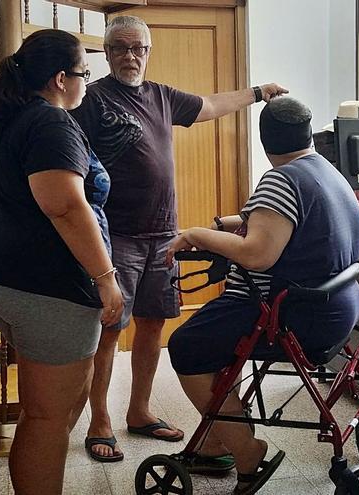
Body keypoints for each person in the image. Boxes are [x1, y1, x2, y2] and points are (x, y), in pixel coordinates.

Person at [70, 14, 288, 464]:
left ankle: (140, 411)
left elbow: (208, 106)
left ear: (148, 52)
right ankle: (100, 421)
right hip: (118, 236)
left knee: (152, 325)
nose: (131, 56)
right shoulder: (90, 100)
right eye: (121, 48)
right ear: (107, 53)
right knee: (110, 331)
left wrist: (256, 93)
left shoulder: (162, 97)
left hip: (165, 235)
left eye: (139, 48)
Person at [164, 96, 359, 494]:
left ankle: (246, 449)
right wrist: (234, 222)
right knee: (217, 342)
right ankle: (214, 439)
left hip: (289, 315)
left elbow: (257, 255)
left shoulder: (280, 179)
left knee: (186, 345)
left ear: (263, 140)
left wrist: (197, 235)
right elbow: (294, 219)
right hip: (336, 309)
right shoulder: (325, 170)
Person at [0, 30, 123, 495]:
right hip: (46, 289)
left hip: (10, 280)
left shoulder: (17, 119)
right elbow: (63, 206)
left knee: (56, 408)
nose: (86, 82)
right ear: (61, 78)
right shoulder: (50, 124)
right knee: (47, 418)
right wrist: (106, 278)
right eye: (83, 73)